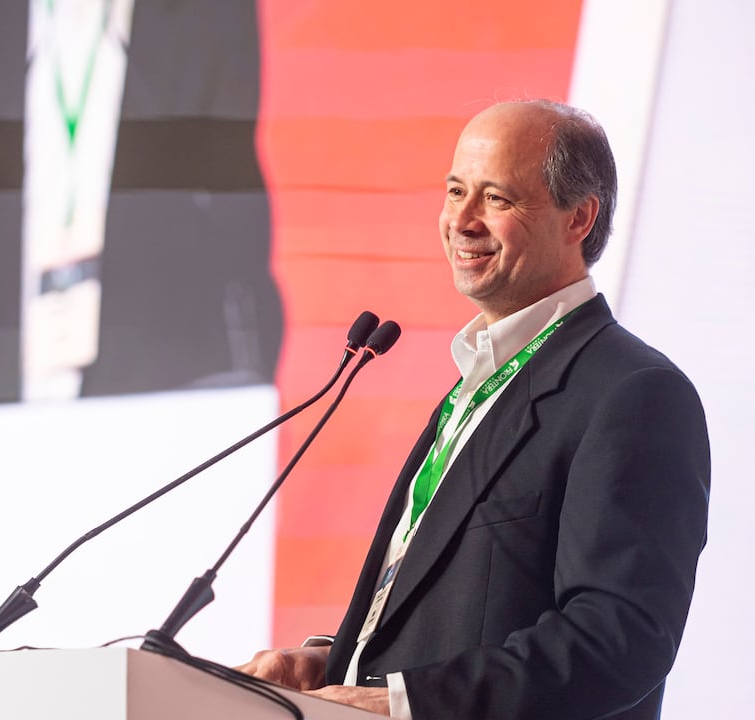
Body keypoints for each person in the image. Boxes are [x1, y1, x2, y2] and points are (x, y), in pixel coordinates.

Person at [238, 100, 711, 719]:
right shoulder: (479, 383)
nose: (461, 220)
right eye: (456, 190)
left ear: (579, 219)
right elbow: (465, 614)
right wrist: (337, 662)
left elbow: (617, 641)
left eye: (496, 199)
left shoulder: (633, 394)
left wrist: (403, 706)